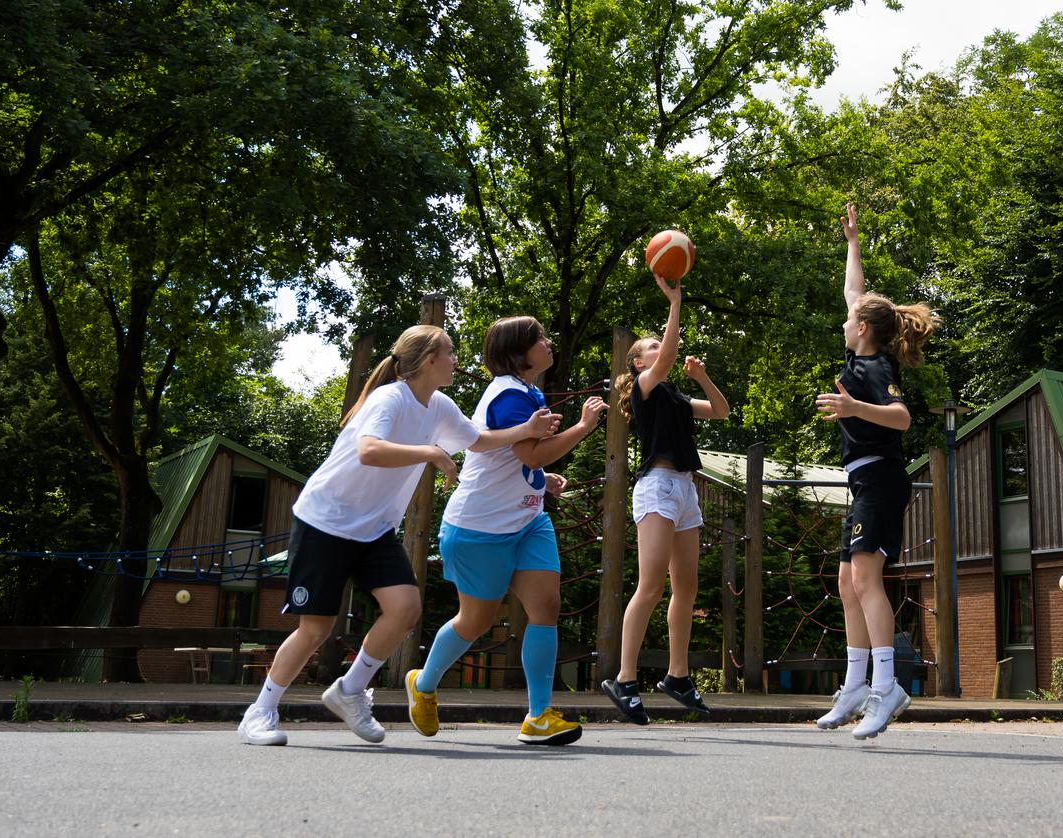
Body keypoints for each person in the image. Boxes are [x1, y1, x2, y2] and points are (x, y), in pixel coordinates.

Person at [236, 324, 557, 746]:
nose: (456, 359)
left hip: (374, 529)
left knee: (405, 609)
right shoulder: (389, 398)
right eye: (449, 352)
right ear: (428, 361)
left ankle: (349, 691)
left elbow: (478, 441)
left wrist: (524, 431)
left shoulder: (439, 405)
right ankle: (260, 711)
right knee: (316, 628)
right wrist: (428, 451)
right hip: (325, 523)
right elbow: (369, 450)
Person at [405, 316, 609, 746]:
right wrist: (583, 428)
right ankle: (423, 683)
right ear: (519, 351)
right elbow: (532, 454)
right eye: (539, 338)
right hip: (480, 527)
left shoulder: (529, 390)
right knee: (475, 622)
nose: (549, 342)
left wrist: (539, 482)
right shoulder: (510, 394)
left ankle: (538, 716)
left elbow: (522, 461)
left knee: (546, 607)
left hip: (528, 521)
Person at [813, 203, 941, 740]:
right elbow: (854, 291)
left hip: (883, 478)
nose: (843, 320)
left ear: (862, 330)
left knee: (865, 579)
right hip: (864, 478)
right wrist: (852, 242)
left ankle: (887, 687)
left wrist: (853, 409)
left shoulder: (875, 366)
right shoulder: (862, 348)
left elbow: (902, 418)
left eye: (850, 319)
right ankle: (855, 686)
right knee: (847, 582)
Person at [601, 273, 731, 724]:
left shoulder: (674, 396)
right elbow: (670, 356)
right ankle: (625, 678)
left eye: (661, 344)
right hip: (656, 487)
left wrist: (704, 377)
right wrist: (675, 304)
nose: (661, 350)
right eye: (651, 348)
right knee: (650, 586)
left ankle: (678, 675)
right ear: (638, 364)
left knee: (687, 589)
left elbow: (721, 410)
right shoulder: (645, 390)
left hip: (685, 490)